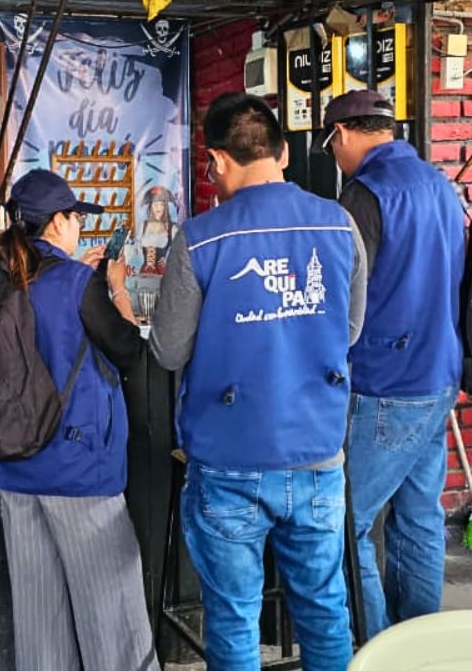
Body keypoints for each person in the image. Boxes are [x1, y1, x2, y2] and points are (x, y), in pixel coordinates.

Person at [150, 92, 367, 671]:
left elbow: (169, 350)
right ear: (286, 152)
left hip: (227, 460)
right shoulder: (340, 225)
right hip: (317, 453)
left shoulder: (200, 238)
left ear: (217, 161)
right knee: (325, 611)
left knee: (234, 617)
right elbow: (348, 330)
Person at [0, 168, 160, 671]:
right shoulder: (79, 282)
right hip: (77, 468)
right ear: (57, 221)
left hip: (12, 467)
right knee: (112, 614)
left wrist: (85, 276)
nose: (80, 224)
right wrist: (116, 288)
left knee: (39, 619)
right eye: (76, 216)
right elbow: (127, 352)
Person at [321, 90, 467, 637]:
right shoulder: (439, 183)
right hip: (439, 374)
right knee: (419, 516)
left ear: (342, 135)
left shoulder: (366, 194)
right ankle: (418, 642)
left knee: (346, 523)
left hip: (385, 381)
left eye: (332, 145)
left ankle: (378, 644)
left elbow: (344, 297)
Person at [138, 185, 178, 275]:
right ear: (151, 206)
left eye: (161, 204)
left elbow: (179, 253)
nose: (158, 208)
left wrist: (168, 261)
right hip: (145, 273)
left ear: (165, 207)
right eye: (155, 204)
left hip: (164, 275)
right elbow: (136, 251)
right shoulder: (144, 226)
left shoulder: (172, 228)